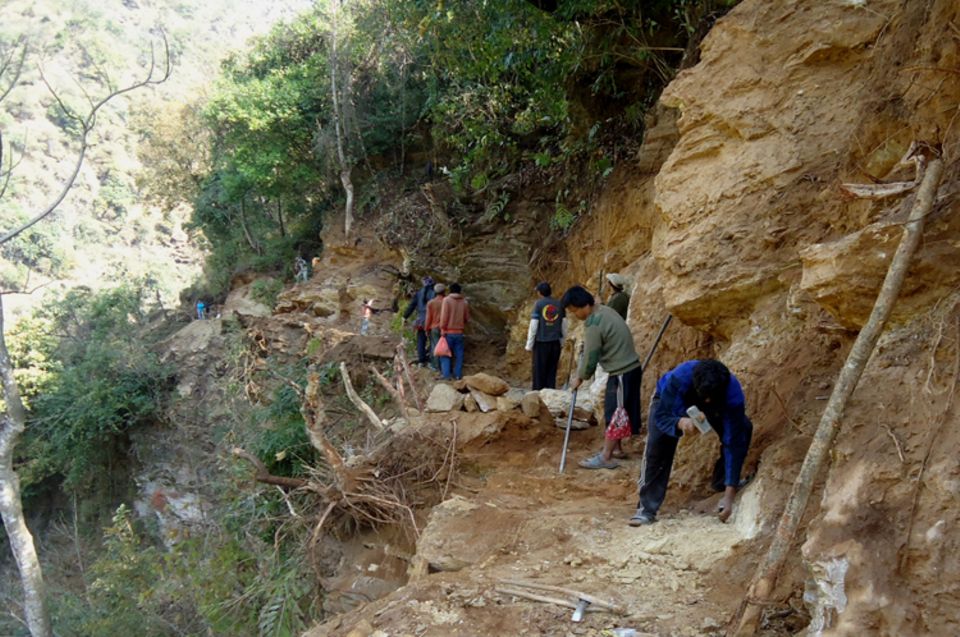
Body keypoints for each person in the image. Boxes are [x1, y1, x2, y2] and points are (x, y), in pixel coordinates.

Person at [630, 359, 753, 526]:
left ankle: (723, 484)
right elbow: (662, 416)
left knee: (742, 430)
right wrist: (679, 422)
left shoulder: (732, 395)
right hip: (670, 404)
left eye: (711, 398)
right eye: (705, 398)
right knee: (657, 449)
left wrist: (729, 496)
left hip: (716, 406)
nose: (707, 401)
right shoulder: (679, 378)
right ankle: (646, 509)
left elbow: (734, 443)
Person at [561, 285, 642, 470]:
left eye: (574, 311)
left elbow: (591, 356)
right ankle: (617, 449)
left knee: (616, 412)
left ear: (582, 306)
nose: (575, 315)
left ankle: (606, 456)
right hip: (628, 369)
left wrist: (580, 377)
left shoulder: (593, 323)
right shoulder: (605, 310)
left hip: (623, 370)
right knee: (617, 409)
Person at [525, 282, 566, 390]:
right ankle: (550, 394)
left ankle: (538, 395)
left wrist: (529, 344)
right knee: (552, 371)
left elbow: (534, 325)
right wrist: (563, 342)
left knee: (539, 371)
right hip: (555, 343)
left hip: (541, 342)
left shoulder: (539, 304)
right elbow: (564, 325)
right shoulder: (559, 304)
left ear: (539, 292)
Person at [402, 276, 436, 365]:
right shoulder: (435, 293)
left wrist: (405, 316)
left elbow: (411, 306)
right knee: (433, 340)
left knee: (421, 340)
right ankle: (432, 359)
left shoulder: (419, 293)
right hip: (432, 320)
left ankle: (422, 359)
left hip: (420, 321)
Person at [439, 283, 469, 380]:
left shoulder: (446, 300)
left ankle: (446, 375)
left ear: (450, 290)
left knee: (445, 353)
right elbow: (467, 318)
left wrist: (442, 328)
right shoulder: (464, 302)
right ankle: (457, 375)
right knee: (459, 355)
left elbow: (444, 317)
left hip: (448, 332)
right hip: (459, 332)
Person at [425, 283, 447, 372]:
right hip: (446, 328)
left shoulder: (431, 303)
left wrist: (426, 328)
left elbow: (428, 317)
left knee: (435, 346)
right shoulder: (447, 301)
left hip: (434, 327)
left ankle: (435, 366)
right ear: (444, 291)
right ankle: (444, 367)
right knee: (445, 347)